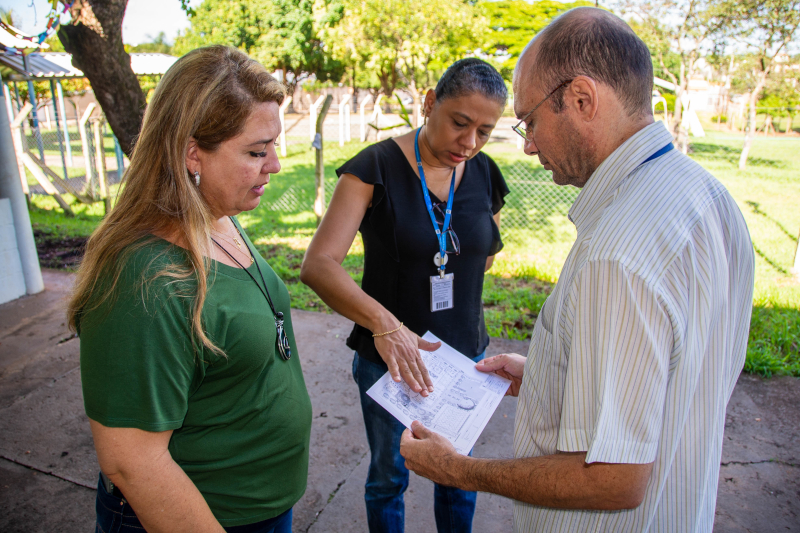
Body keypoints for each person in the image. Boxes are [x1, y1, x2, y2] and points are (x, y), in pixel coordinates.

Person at [400, 8, 755, 532]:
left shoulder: (618, 252)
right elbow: (670, 372)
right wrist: (551, 372)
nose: (528, 144)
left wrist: (459, 470)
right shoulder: (706, 196)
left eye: (532, 121)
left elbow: (611, 478)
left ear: (583, 100)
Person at [67, 46, 312, 533]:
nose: (277, 165)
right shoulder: (144, 279)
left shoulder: (217, 216)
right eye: (257, 151)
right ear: (191, 153)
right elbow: (131, 461)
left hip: (258, 506)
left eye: (275, 145)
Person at [300, 58, 509, 532]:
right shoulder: (374, 168)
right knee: (389, 478)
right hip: (390, 360)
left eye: (485, 131)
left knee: (459, 476)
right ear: (430, 103)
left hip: (465, 362)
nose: (469, 143)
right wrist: (386, 324)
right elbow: (318, 265)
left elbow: (486, 253)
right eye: (460, 123)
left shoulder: (485, 173)